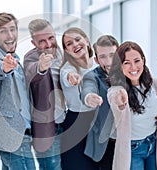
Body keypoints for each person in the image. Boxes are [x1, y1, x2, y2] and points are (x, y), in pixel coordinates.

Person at [0, 12, 36, 170]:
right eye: (3, 31)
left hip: (21, 131)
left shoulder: (15, 57)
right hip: (11, 133)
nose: (10, 35)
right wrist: (4, 68)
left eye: (12, 29)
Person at [107, 41, 157, 170]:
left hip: (154, 143)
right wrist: (119, 97)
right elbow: (114, 96)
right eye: (127, 63)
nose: (133, 67)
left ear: (143, 60)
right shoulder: (117, 89)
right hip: (133, 149)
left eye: (137, 61)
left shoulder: (154, 84)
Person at [23, 18, 66, 170]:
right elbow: (31, 73)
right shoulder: (31, 58)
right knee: (51, 167)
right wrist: (41, 67)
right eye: (42, 41)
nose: (48, 44)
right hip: (48, 127)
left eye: (51, 38)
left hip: (68, 122)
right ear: (34, 43)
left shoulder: (64, 53)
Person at [59, 27, 99, 170]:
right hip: (76, 124)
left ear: (87, 41)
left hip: (98, 121)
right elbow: (67, 77)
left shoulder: (98, 65)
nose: (75, 44)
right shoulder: (67, 69)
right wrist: (72, 78)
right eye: (69, 44)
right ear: (67, 51)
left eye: (77, 39)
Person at [81, 35, 119, 170]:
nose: (108, 61)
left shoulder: (130, 72)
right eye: (103, 57)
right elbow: (88, 89)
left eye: (112, 55)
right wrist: (89, 97)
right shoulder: (92, 76)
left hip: (131, 144)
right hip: (106, 145)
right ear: (96, 59)